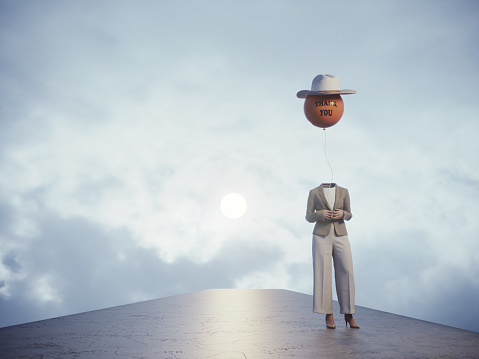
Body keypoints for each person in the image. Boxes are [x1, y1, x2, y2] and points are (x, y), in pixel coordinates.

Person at [305, 183, 359, 329]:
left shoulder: (344, 191)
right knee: (323, 274)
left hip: (341, 234)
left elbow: (349, 213)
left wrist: (343, 214)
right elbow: (308, 216)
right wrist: (320, 214)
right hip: (320, 235)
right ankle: (328, 315)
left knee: (347, 271)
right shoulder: (314, 192)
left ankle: (349, 314)